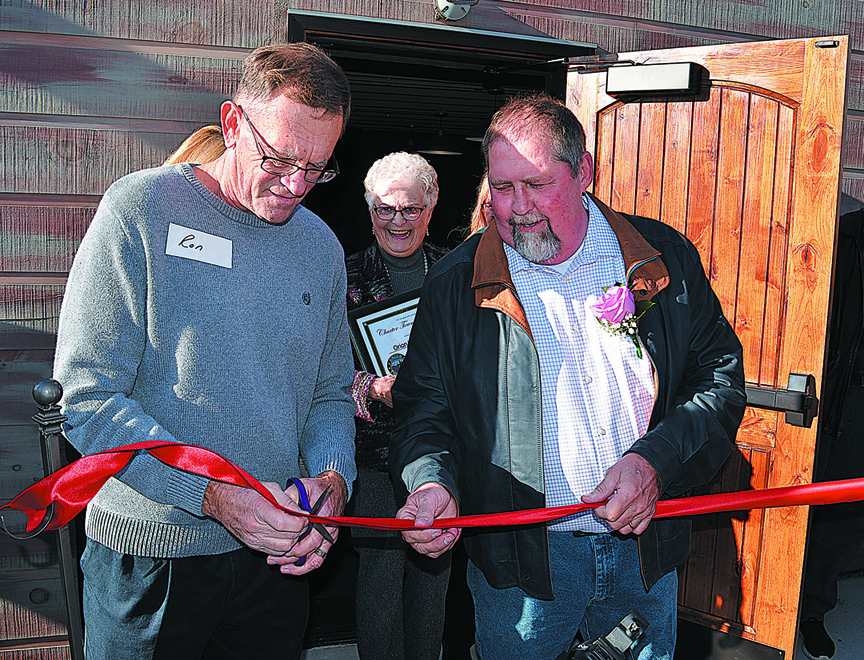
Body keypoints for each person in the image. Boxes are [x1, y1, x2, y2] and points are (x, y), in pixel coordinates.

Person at [390, 94, 746, 659]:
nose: (517, 207)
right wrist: (432, 482)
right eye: (502, 188)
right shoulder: (455, 284)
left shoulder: (662, 257)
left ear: (583, 172)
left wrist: (657, 460)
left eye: (535, 184)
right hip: (521, 566)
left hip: (644, 553)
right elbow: (423, 411)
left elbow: (719, 381)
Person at [53, 43, 356, 660]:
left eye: (318, 167)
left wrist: (332, 481)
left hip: (276, 562)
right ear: (232, 124)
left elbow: (329, 392)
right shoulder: (139, 210)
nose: (296, 185)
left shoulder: (321, 246)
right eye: (279, 158)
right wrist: (213, 497)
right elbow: (86, 397)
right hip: (152, 556)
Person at [346, 151, 451, 660]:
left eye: (410, 210)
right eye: (385, 209)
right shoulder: (343, 276)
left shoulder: (455, 272)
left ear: (430, 209)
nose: (397, 221)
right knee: (382, 577)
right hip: (372, 455)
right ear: (370, 212)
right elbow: (318, 374)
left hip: (442, 449)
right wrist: (372, 389)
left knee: (435, 574)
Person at [799, 208, 864, 660]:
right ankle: (808, 611)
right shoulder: (847, 236)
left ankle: (814, 606)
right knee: (833, 508)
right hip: (848, 392)